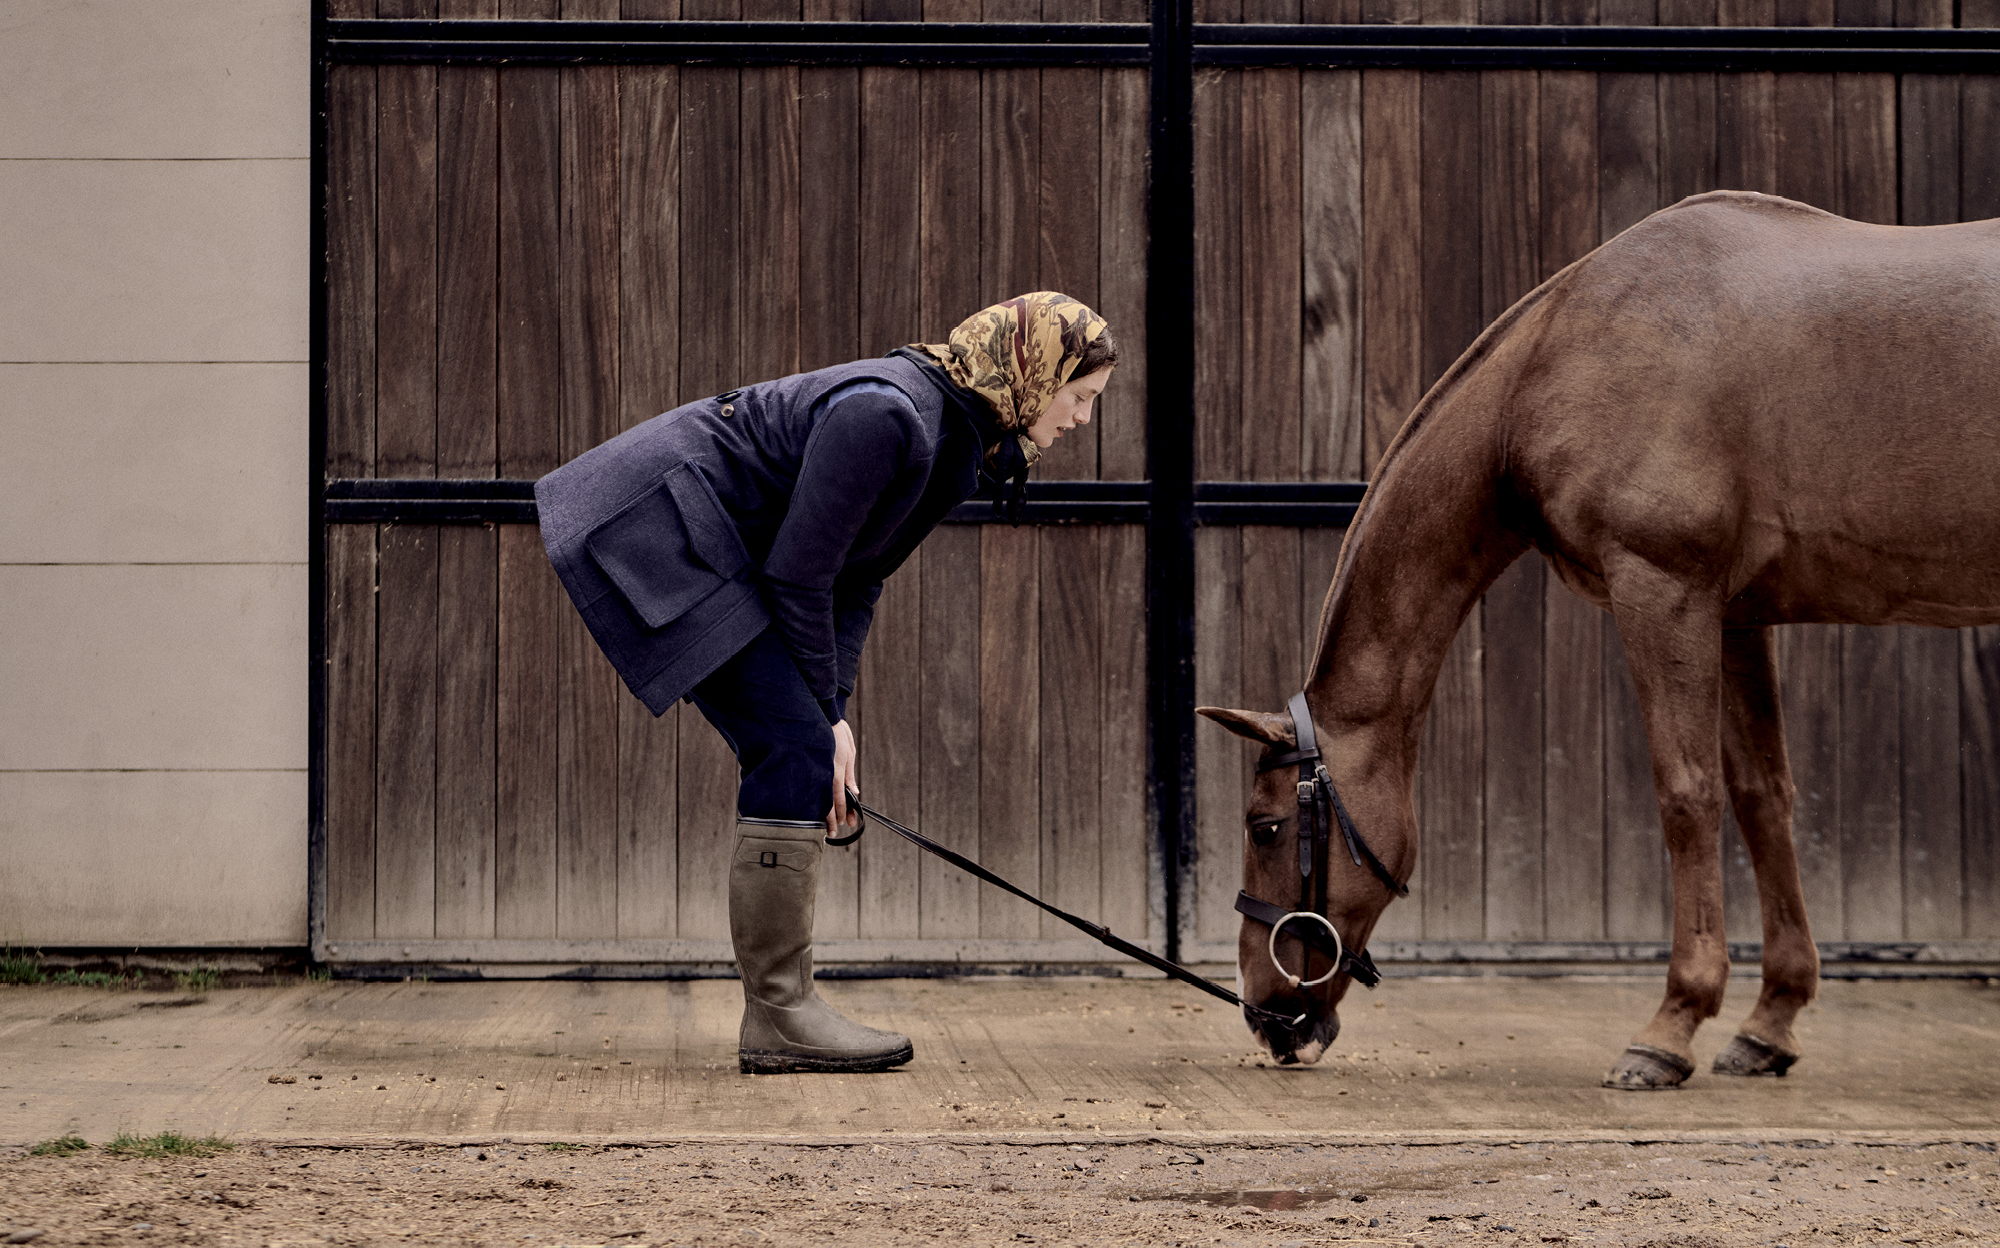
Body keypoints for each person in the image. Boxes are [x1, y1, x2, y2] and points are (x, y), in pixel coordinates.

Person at [534, 292, 1118, 1074]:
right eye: (1079, 397)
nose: (1082, 418)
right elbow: (802, 574)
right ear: (1033, 371)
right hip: (658, 527)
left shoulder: (957, 439)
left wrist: (833, 709)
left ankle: (782, 1010)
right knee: (795, 747)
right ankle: (780, 1015)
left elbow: (857, 578)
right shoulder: (890, 417)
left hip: (718, 549)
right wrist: (823, 722)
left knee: (805, 744)